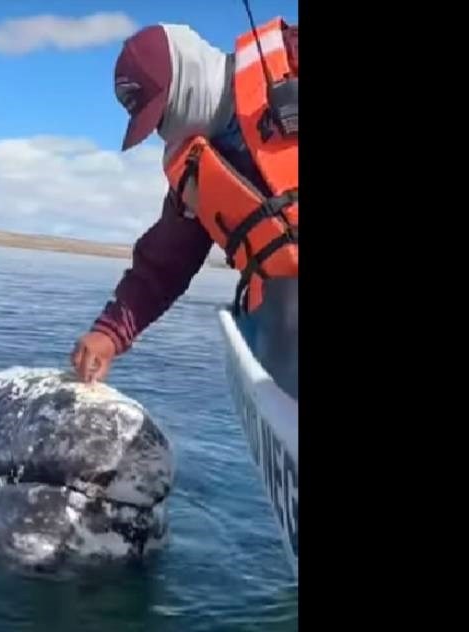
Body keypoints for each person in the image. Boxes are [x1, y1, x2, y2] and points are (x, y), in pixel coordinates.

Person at [70, 18, 299, 400]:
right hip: (285, 325)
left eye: (162, 113)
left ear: (186, 78)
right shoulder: (195, 175)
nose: (162, 129)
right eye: (153, 122)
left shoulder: (290, 55)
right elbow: (163, 266)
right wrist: (109, 333)